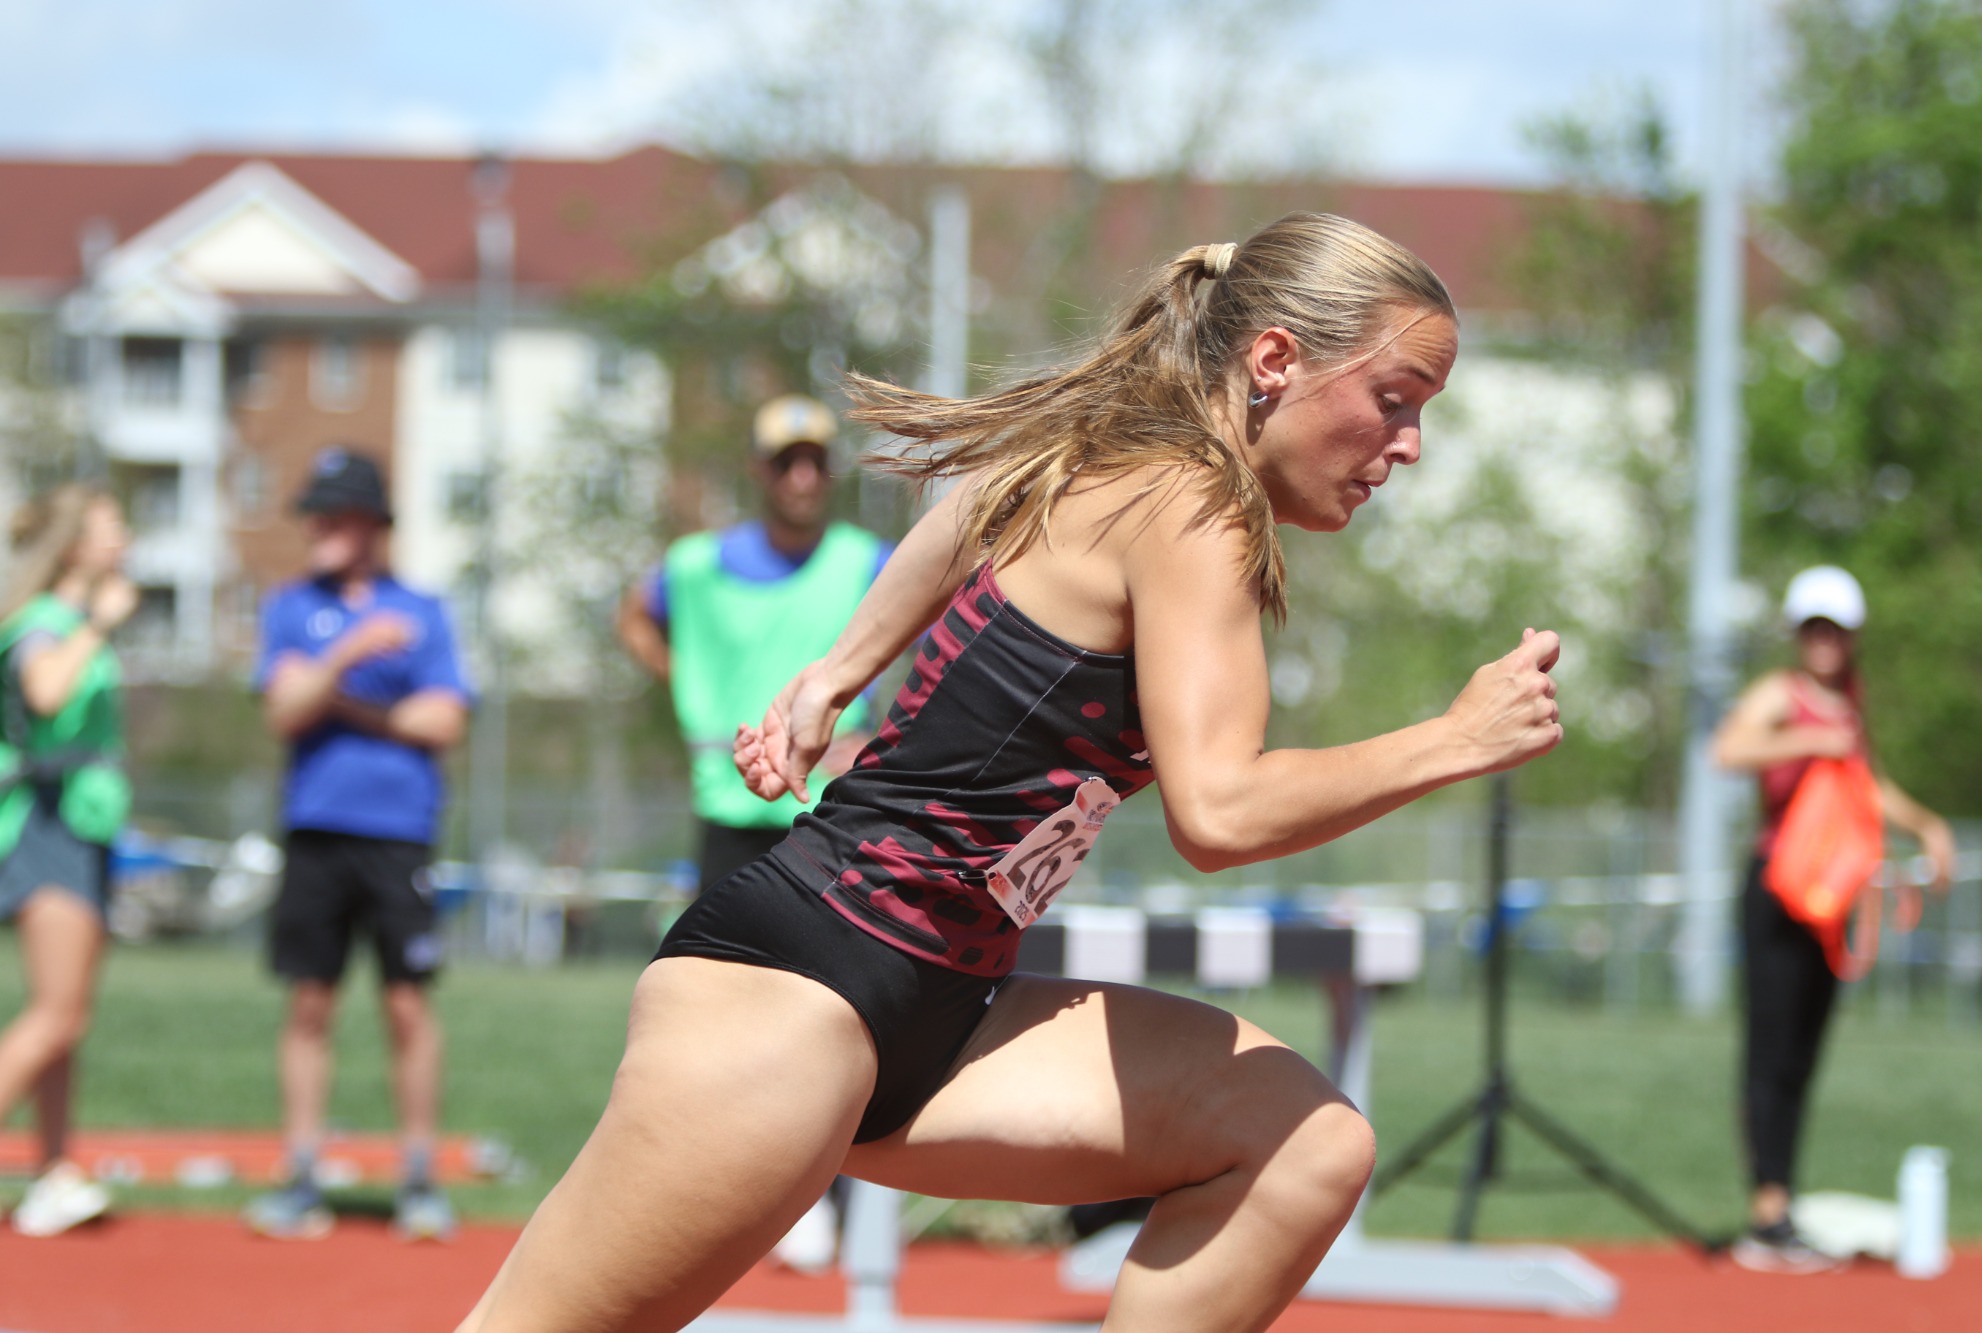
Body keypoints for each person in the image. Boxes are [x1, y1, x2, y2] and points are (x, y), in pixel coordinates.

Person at [458, 213, 1565, 1333]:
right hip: (800, 991)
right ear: (1274, 359)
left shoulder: (1111, 460)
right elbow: (1220, 813)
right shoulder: (1190, 503)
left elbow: (965, 509)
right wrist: (1453, 738)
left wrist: (833, 676)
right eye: (1394, 398)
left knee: (1299, 1138)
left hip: (949, 1012)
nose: (1409, 445)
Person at [244, 447, 472, 1242]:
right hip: (315, 827)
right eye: (315, 513)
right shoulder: (287, 606)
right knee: (309, 1000)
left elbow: (443, 720)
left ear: (372, 522)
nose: (318, 527)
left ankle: (419, 1176)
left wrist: (335, 699)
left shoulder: (423, 611)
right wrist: (350, 655)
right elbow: (283, 711)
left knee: (407, 1002)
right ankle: (302, 1174)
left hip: (399, 833)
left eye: (334, 514)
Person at [1712, 565, 1955, 1273]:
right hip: (1778, 886)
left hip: (1831, 894)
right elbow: (1728, 749)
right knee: (1769, 1048)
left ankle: (1782, 1202)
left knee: (1801, 1054)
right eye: (1814, 629)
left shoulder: (1850, 703)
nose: (1826, 642)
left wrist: (1927, 825)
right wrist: (1807, 741)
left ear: (1852, 637)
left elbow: (1866, 787)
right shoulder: (1779, 694)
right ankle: (1767, 1212)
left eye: (1836, 630)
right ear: (1799, 634)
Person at [615, 393, 892, 894]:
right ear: (759, 469)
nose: (803, 478)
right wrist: (687, 679)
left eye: (816, 462)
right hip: (728, 810)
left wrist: (888, 745)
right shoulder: (695, 566)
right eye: (787, 462)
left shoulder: (867, 563)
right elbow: (633, 617)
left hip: (831, 811)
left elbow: (948, 644)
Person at [0, 486, 134, 1237]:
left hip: (81, 825)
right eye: (111, 528)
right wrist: (99, 622)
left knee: (68, 1016)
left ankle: (53, 1169)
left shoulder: (66, 619)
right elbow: (46, 691)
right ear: (73, 544)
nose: (124, 539)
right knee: (55, 1013)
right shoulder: (44, 621)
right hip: (46, 823)